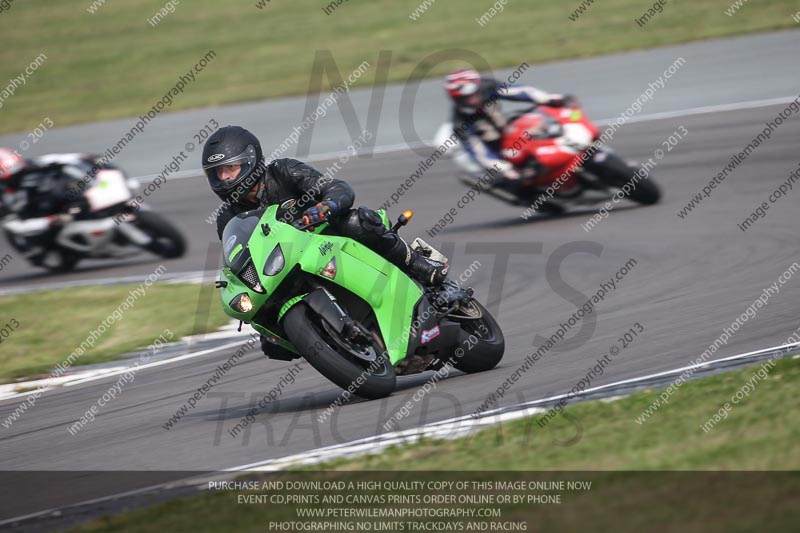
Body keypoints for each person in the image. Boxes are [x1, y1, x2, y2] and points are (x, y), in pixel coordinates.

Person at [202, 126, 448, 358]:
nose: (224, 178)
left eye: (230, 169)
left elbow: (337, 188)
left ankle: (418, 265)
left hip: (325, 237)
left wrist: (326, 206)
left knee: (357, 221)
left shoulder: (283, 171)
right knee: (271, 341)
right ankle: (330, 342)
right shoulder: (227, 217)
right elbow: (238, 257)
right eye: (217, 173)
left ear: (250, 161)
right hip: (282, 266)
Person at [444, 68, 574, 188]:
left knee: (538, 122)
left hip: (508, 131)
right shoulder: (460, 123)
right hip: (497, 151)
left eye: (474, 94)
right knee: (518, 176)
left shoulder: (488, 87)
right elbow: (480, 153)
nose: (473, 100)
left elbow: (520, 91)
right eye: (467, 98)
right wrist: (505, 169)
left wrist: (548, 99)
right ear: (456, 99)